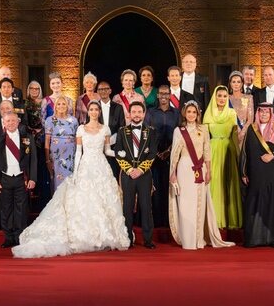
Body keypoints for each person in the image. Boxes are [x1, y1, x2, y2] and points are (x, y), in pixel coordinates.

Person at [14, 101, 129, 258]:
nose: (94, 112)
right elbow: (78, 152)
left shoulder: (105, 129)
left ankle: (104, 235)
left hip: (101, 167)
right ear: (88, 112)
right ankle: (87, 235)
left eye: (96, 109)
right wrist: (76, 172)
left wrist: (119, 154)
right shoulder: (81, 129)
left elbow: (107, 151)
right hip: (86, 167)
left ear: (99, 112)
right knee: (86, 201)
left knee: (103, 200)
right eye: (91, 109)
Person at [168, 101, 234, 250]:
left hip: (200, 168)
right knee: (186, 204)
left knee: (199, 203)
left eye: (194, 112)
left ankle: (198, 240)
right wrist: (173, 174)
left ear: (198, 114)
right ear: (185, 113)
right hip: (184, 168)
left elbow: (207, 150)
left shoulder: (204, 129)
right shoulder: (179, 131)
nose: (191, 115)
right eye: (189, 112)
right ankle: (188, 240)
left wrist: (209, 170)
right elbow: (174, 155)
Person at [241, 103, 274, 247]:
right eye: (261, 112)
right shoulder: (252, 129)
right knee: (254, 204)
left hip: (273, 174)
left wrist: (273, 155)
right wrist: (243, 172)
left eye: (266, 112)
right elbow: (245, 152)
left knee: (273, 204)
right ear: (257, 113)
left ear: (271, 114)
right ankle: (254, 239)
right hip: (256, 174)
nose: (263, 115)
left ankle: (273, 239)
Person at [114, 102, 157, 248]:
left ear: (144, 114)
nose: (137, 114)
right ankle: (128, 238)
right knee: (127, 207)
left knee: (146, 206)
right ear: (129, 114)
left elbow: (152, 153)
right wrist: (129, 170)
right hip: (128, 175)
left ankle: (148, 239)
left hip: (144, 175)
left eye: (140, 112)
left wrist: (140, 169)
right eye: (134, 112)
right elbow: (118, 153)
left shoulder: (150, 131)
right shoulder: (122, 131)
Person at [0, 111, 37, 247]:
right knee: (5, 209)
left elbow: (33, 160)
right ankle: (8, 237)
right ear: (4, 123)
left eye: (13, 121)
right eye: (8, 121)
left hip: (21, 178)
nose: (11, 123)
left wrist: (33, 178)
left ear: (18, 122)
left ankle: (19, 237)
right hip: (4, 179)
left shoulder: (28, 138)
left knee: (21, 209)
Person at [203, 85, 243, 229]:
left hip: (228, 150)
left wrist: (239, 157)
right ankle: (214, 221)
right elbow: (205, 138)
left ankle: (230, 219)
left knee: (229, 184)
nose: (222, 98)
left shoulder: (232, 113)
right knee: (215, 183)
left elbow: (235, 135)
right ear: (215, 97)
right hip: (213, 150)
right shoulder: (208, 114)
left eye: (225, 96)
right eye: (219, 95)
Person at [147, 85, 179, 227]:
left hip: (172, 155)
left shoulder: (177, 113)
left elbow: (180, 134)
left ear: (170, 95)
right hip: (154, 156)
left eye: (167, 94)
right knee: (156, 188)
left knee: (170, 188)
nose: (164, 96)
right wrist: (156, 152)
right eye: (161, 94)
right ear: (158, 96)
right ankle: (158, 221)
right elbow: (146, 134)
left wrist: (169, 151)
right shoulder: (151, 113)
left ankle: (170, 220)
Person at [45, 95, 79, 192]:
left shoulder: (74, 120)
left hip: (70, 156)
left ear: (67, 106)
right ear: (55, 106)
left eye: (63, 104)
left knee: (70, 180)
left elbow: (77, 139)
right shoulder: (50, 120)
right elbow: (47, 142)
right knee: (57, 181)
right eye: (58, 104)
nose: (61, 106)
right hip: (56, 157)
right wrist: (47, 160)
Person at [227, 71, 254, 140]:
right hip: (228, 134)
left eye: (238, 82)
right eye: (234, 82)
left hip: (243, 135)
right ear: (230, 84)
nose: (236, 84)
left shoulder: (249, 98)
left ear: (242, 84)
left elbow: (250, 120)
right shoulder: (226, 98)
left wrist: (242, 134)